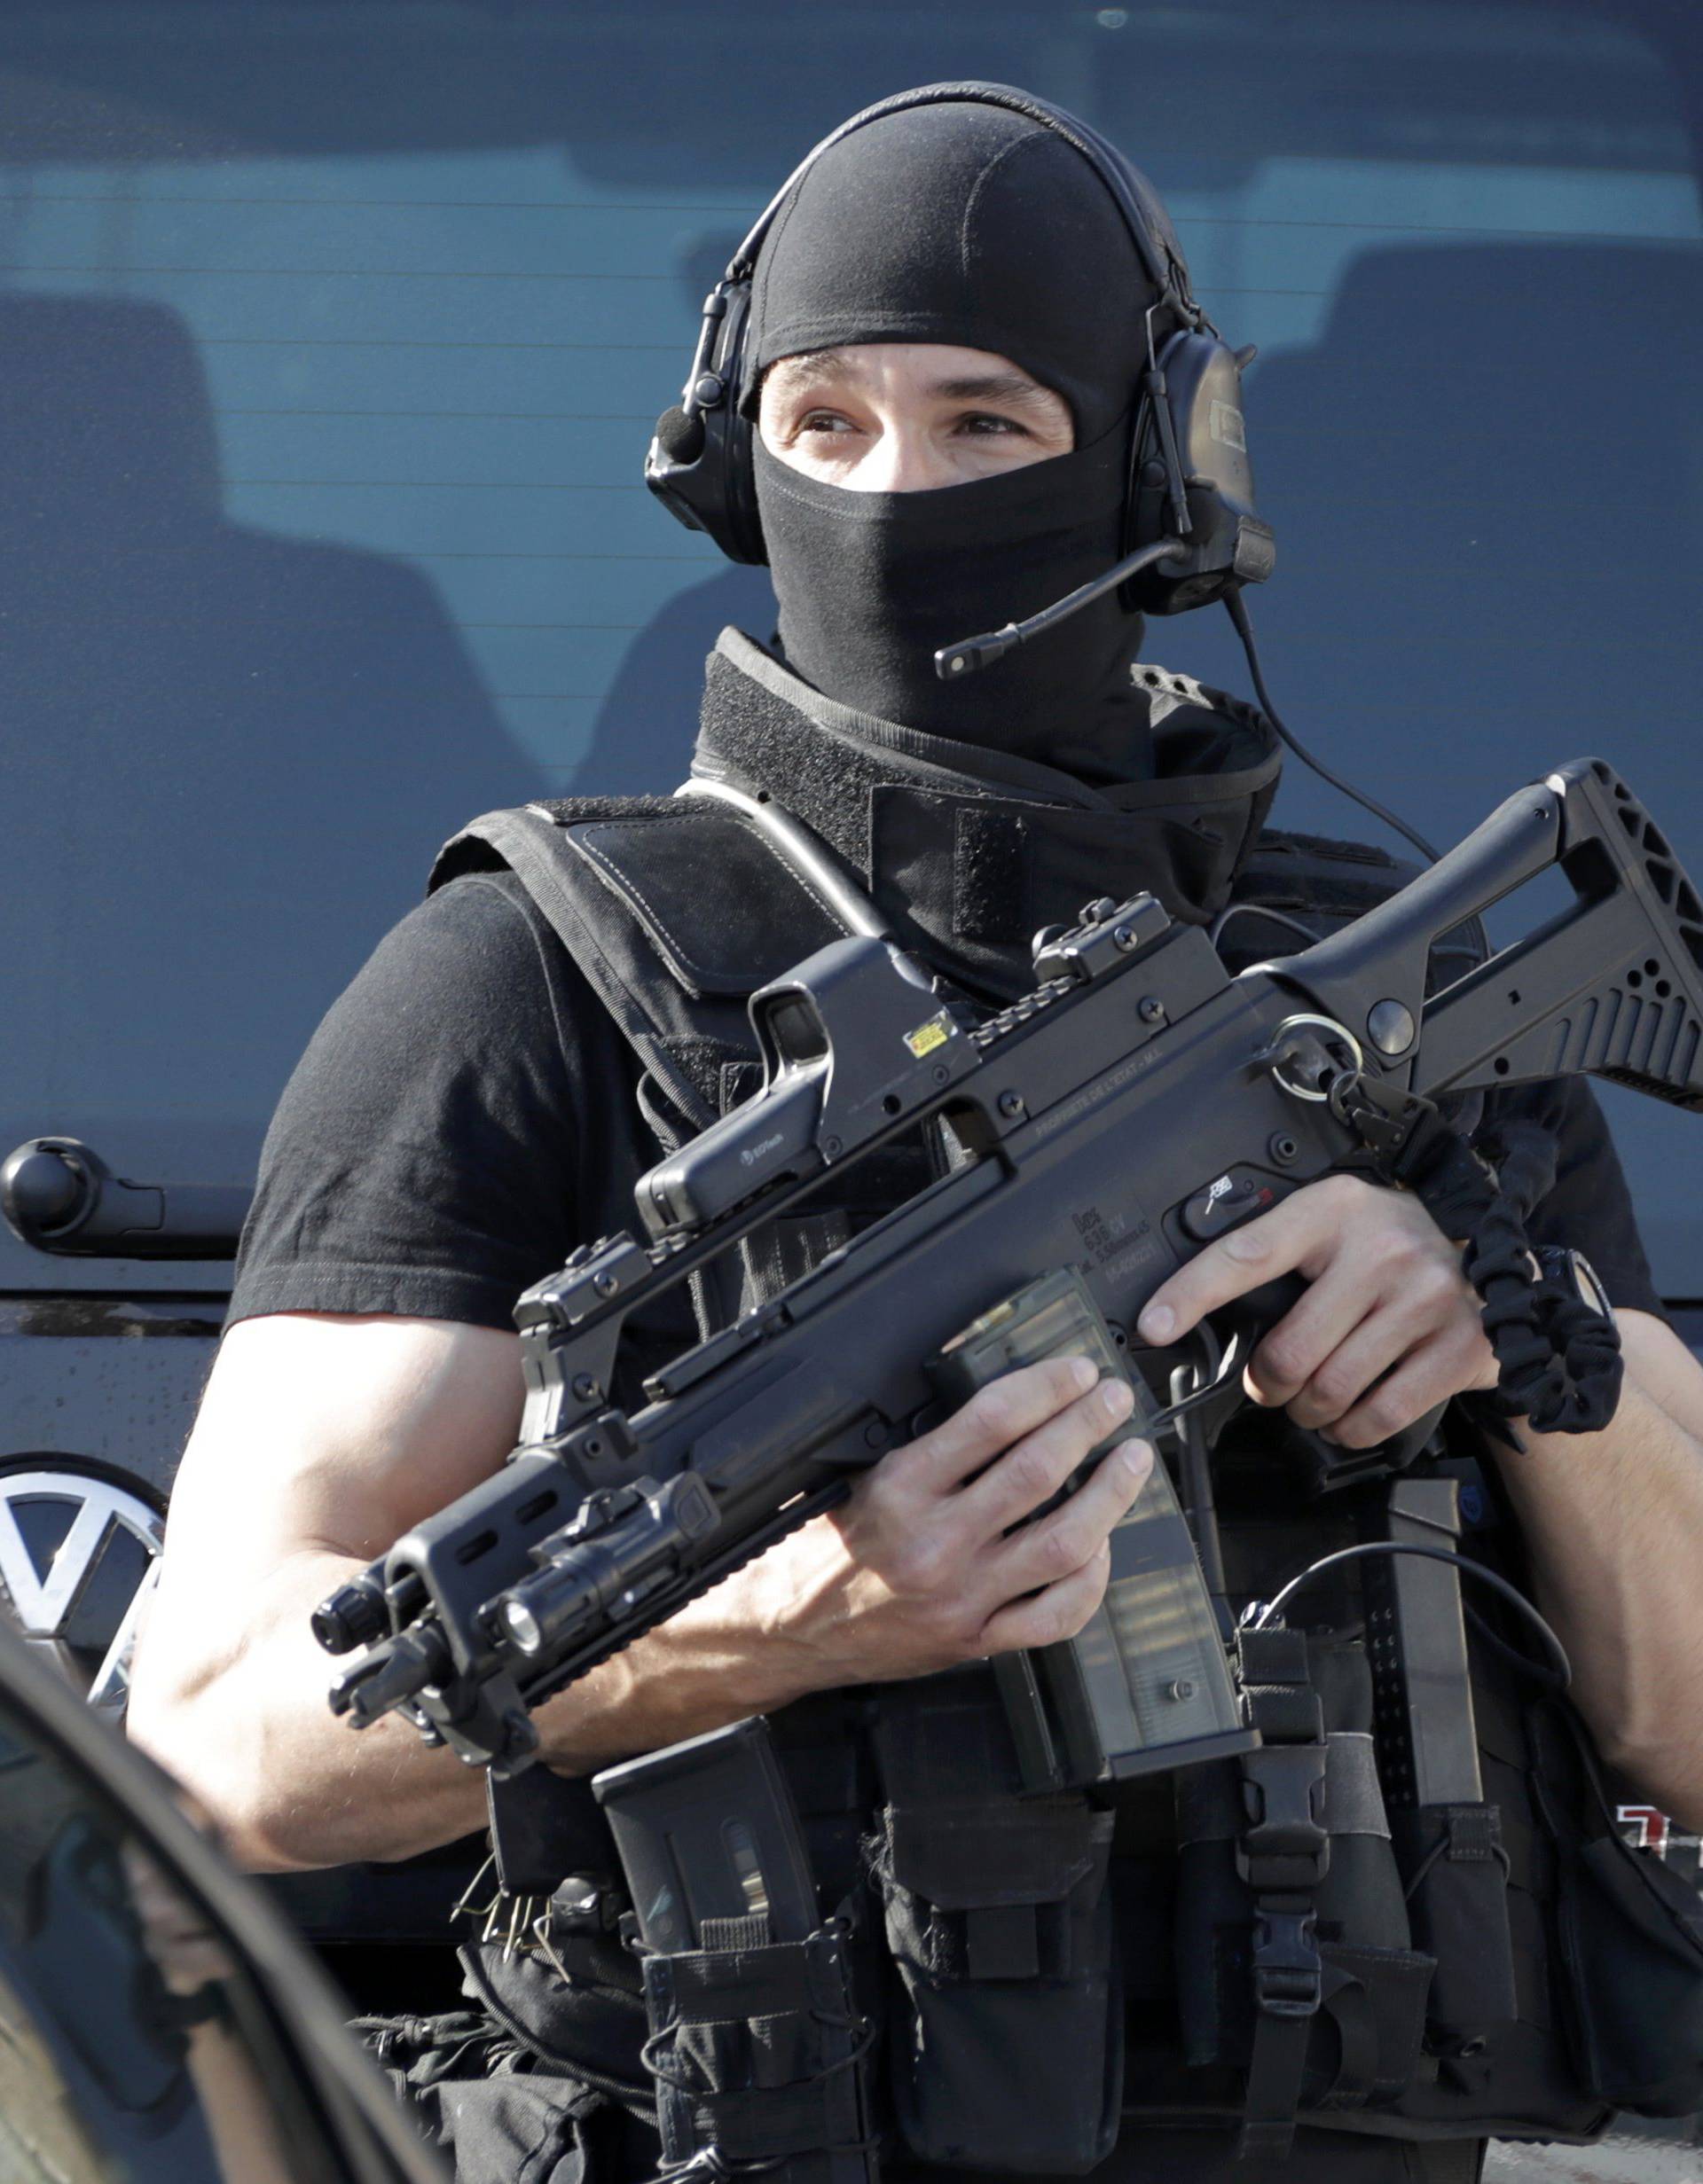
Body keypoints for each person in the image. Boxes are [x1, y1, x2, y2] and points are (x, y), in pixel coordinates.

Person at [129, 85, 1703, 2184]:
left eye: (985, 421)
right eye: (825, 422)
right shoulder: (526, 985)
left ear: (1150, 466)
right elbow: (222, 1739)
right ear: (728, 461)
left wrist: (1536, 1351)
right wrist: (791, 1613)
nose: (891, 487)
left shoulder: (1365, 1013)